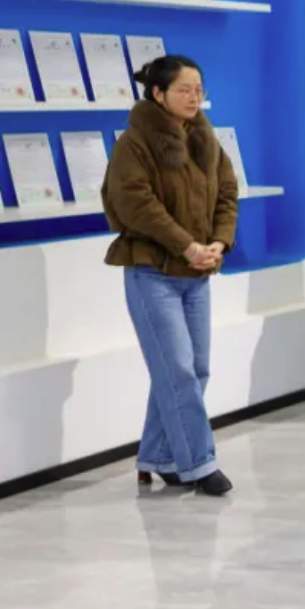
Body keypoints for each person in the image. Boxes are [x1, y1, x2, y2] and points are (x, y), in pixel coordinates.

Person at [104, 55, 237, 496]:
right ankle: (199, 463)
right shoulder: (134, 143)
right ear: (158, 94)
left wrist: (218, 242)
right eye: (184, 89)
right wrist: (187, 245)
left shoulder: (205, 139)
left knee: (194, 370)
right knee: (177, 371)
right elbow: (135, 204)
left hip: (197, 275)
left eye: (199, 88)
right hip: (153, 274)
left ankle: (157, 456)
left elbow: (227, 192)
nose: (194, 97)